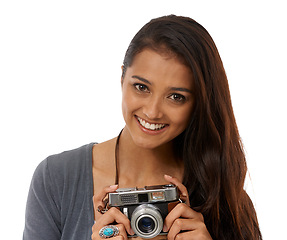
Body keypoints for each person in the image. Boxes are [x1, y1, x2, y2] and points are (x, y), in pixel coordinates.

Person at [23, 15, 262, 240]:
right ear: (122, 79)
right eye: (141, 87)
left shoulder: (227, 197)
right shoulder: (57, 179)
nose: (152, 111)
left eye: (176, 97)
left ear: (198, 104)